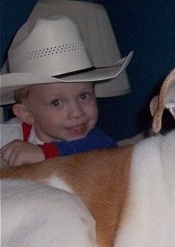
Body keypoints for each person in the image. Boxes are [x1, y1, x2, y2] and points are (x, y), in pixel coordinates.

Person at [0, 15, 133, 167]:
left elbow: (108, 149)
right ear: (26, 114)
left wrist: (45, 153)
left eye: (84, 96)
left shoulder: (94, 141)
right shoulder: (8, 136)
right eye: (56, 102)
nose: (77, 113)